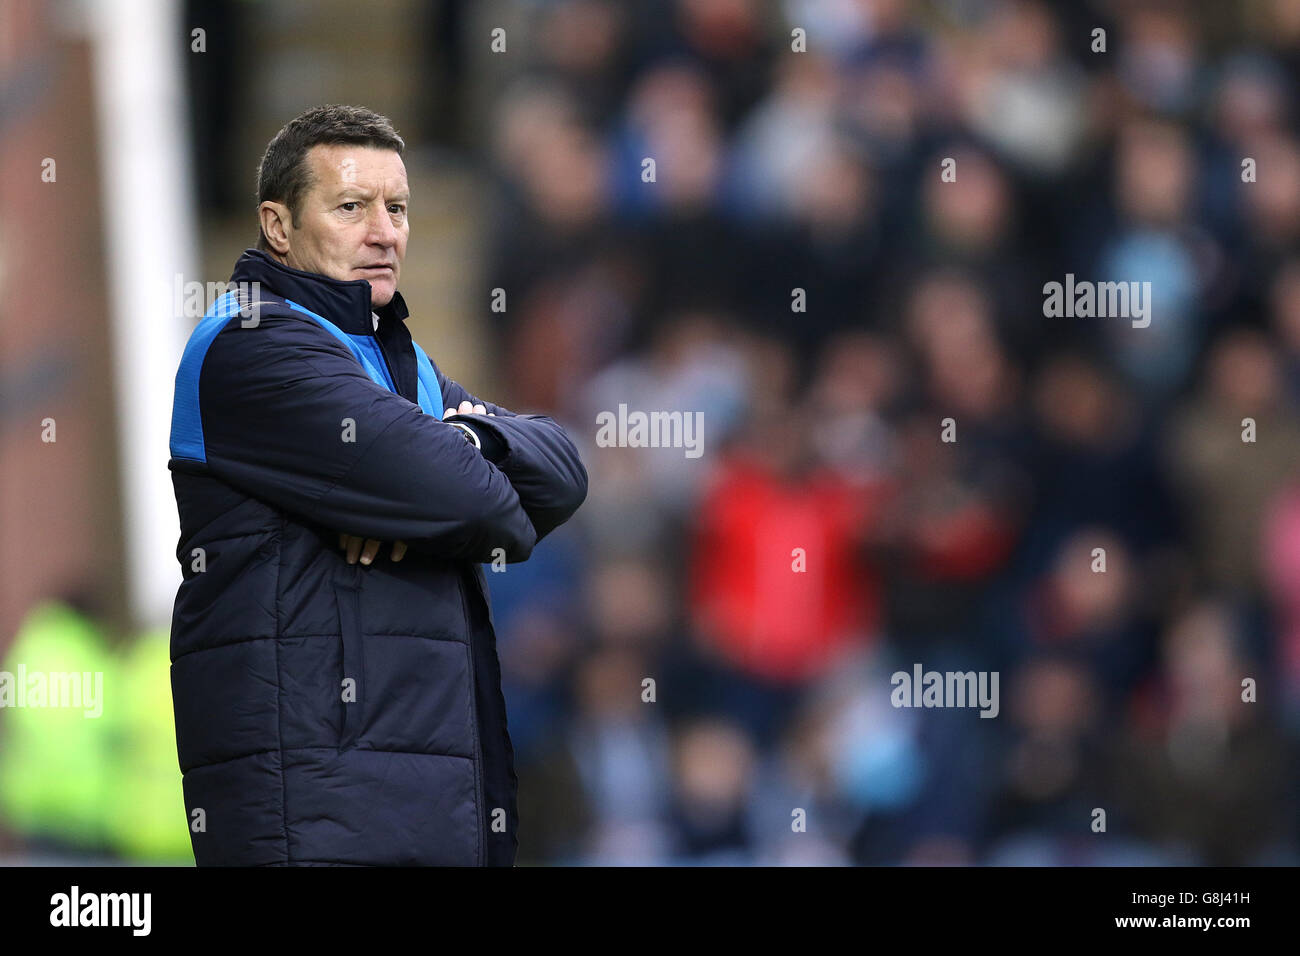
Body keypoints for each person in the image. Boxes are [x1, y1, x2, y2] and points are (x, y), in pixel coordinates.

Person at [166, 105, 588, 866]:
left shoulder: (402, 366)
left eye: (397, 209)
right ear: (279, 224)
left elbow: (561, 471)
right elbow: (477, 499)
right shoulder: (250, 346)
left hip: (428, 801)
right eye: (352, 207)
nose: (385, 231)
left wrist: (458, 446)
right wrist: (448, 479)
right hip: (317, 811)